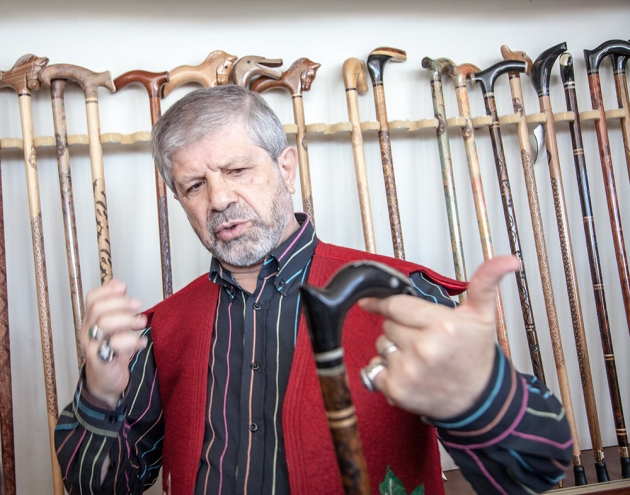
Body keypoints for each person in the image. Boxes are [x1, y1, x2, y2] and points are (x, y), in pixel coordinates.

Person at [54, 85, 571, 495]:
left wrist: (481, 394)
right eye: (194, 185)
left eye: (237, 170)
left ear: (286, 167)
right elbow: (98, 487)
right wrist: (100, 395)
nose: (219, 198)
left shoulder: (402, 294)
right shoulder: (158, 329)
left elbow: (537, 470)